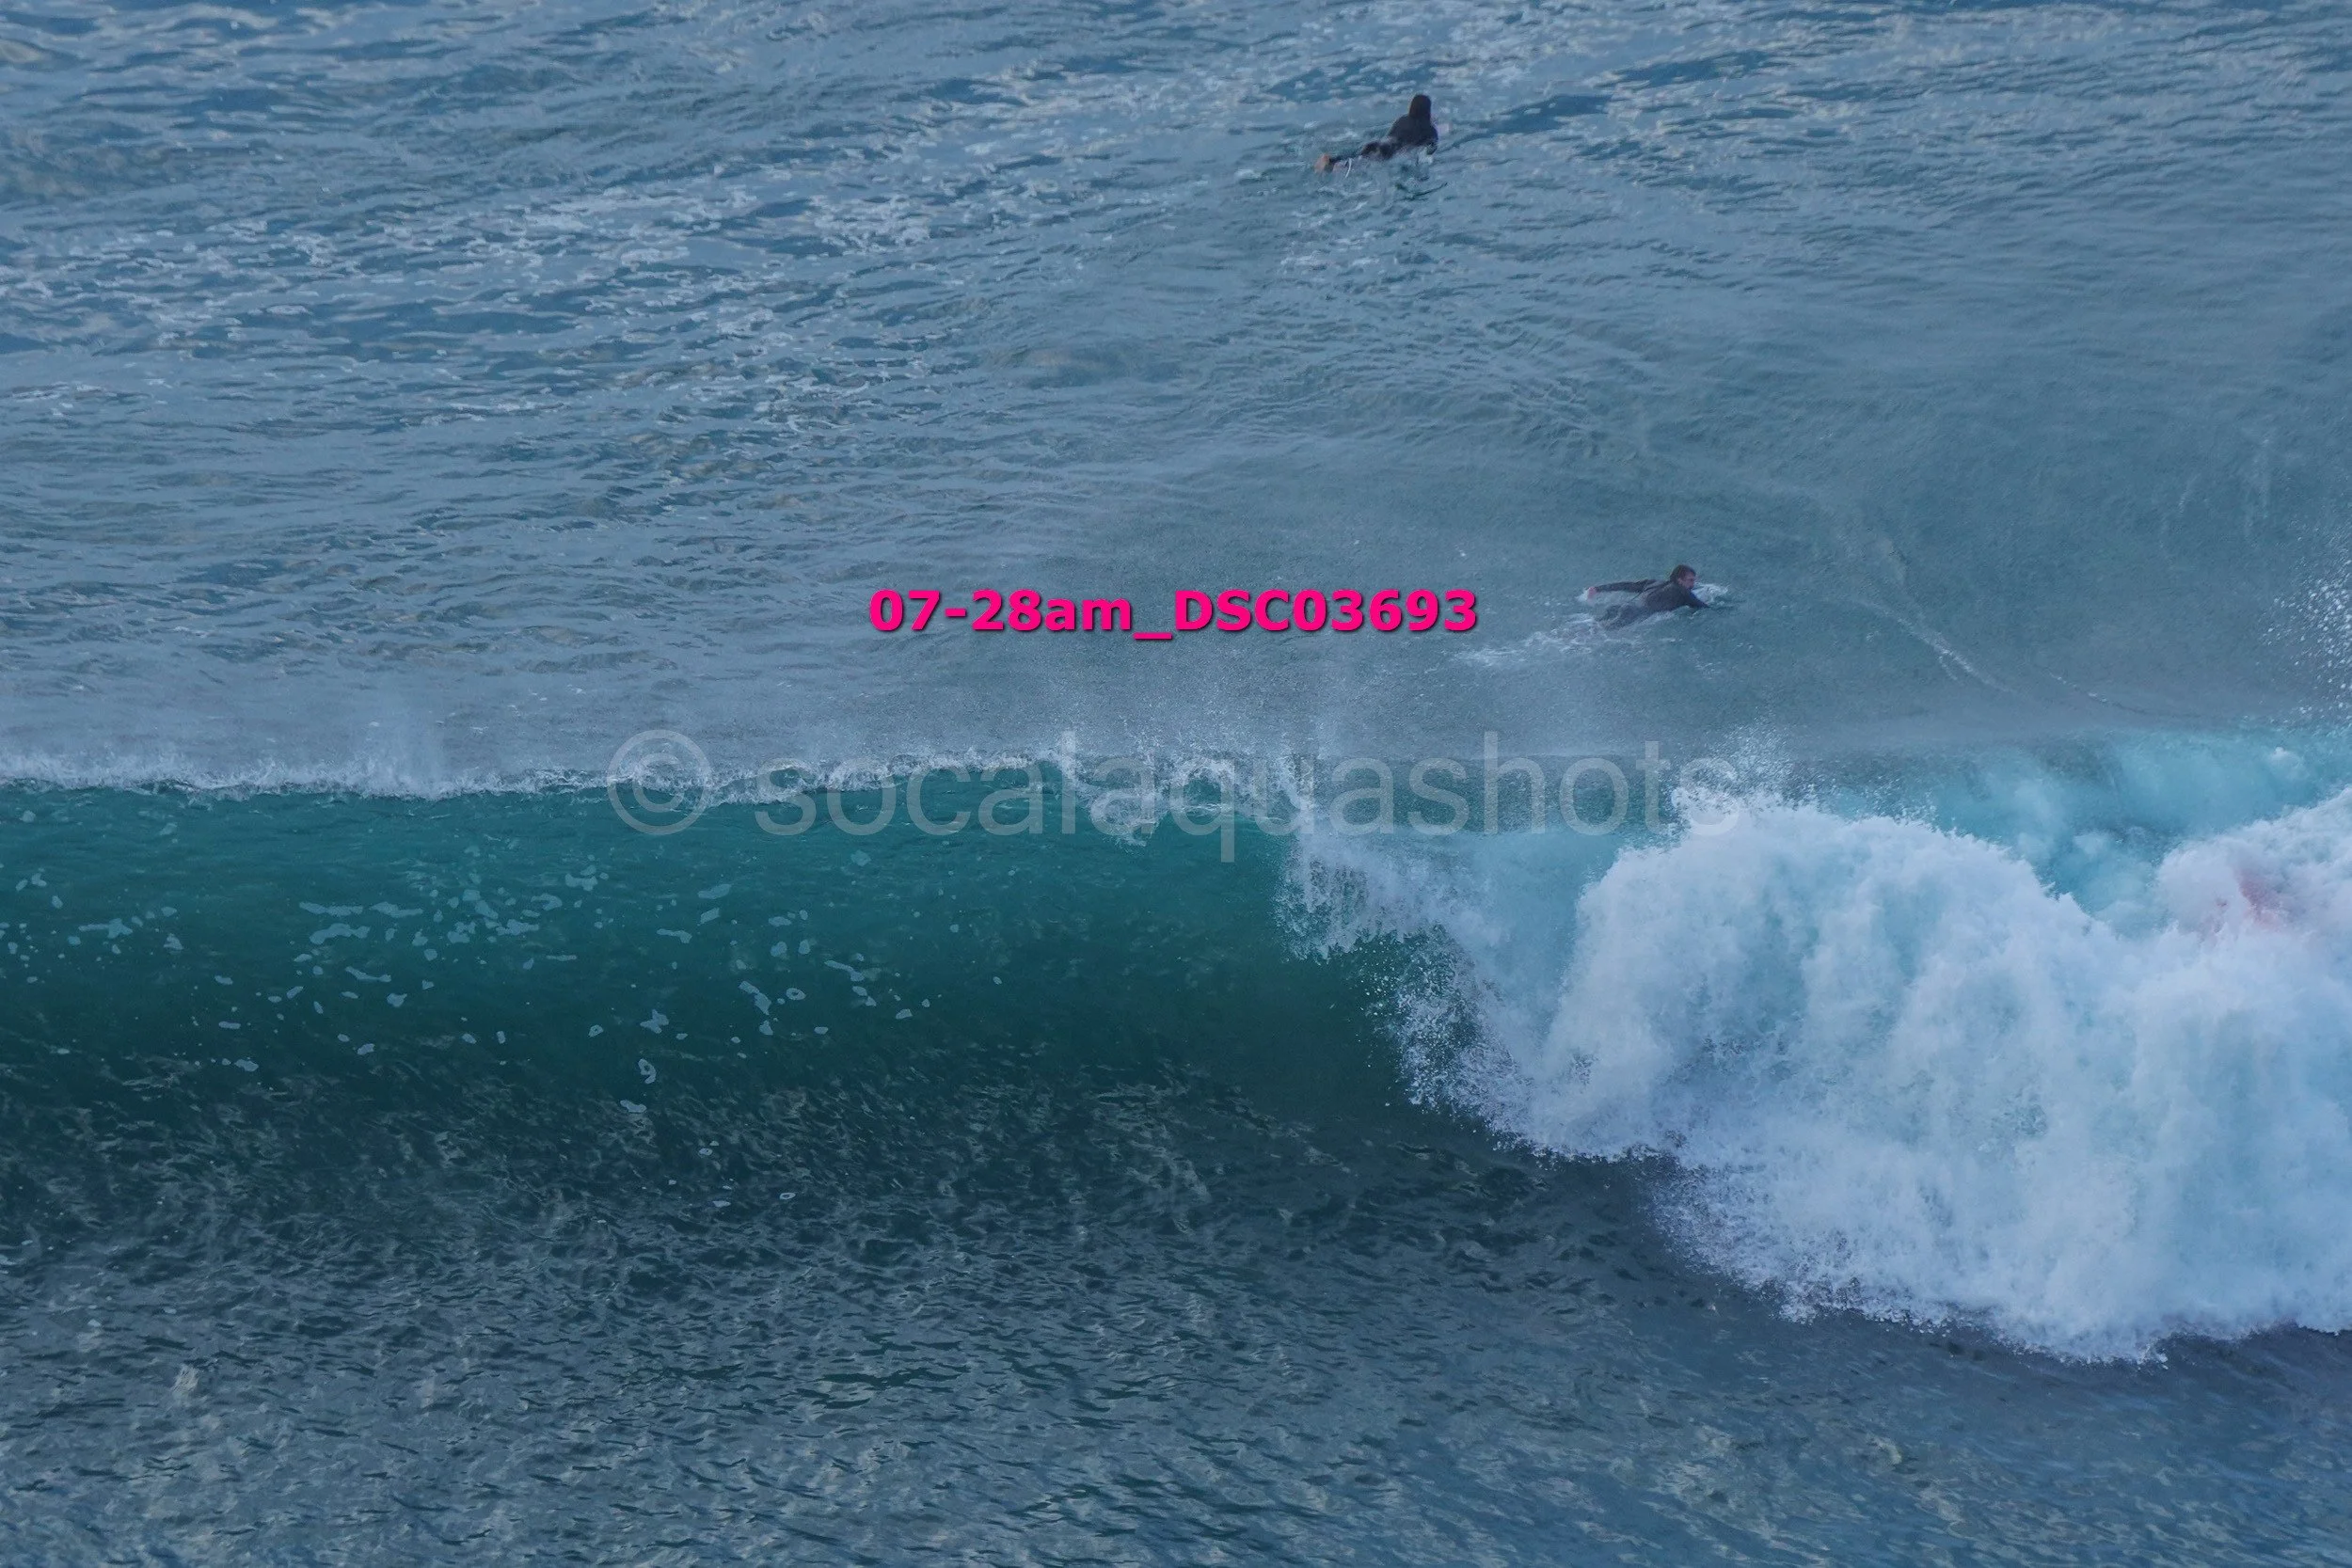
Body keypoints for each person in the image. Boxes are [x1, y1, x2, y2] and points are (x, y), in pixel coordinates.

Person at [1315, 95, 1438, 172]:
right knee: (1364, 163)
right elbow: (1430, 150)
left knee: (1359, 155)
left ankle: (1331, 160)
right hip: (1393, 151)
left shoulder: (1402, 119)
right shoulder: (1430, 130)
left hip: (1379, 143)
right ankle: (1340, 167)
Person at [1586, 565, 1708, 627]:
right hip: (1632, 613)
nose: (1693, 584)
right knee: (1598, 633)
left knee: (1593, 626)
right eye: (1690, 580)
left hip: (1622, 607)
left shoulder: (1654, 582)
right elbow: (1703, 608)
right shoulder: (1683, 593)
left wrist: (1598, 589)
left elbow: (1626, 585)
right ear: (1680, 580)